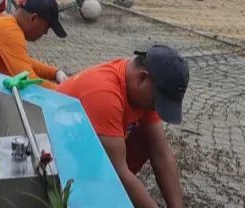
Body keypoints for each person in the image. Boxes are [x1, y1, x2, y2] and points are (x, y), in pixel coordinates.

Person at [57, 45, 188, 208]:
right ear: (141, 78)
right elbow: (119, 173)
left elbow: (160, 152)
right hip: (58, 155)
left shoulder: (144, 90)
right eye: (158, 102)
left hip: (87, 149)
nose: (156, 108)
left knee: (148, 137)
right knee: (116, 175)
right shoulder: (106, 95)